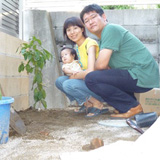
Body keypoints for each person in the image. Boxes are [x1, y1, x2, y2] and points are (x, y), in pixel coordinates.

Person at [80, 4, 160, 118]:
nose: (90, 22)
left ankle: (131, 106)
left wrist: (95, 67)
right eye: (86, 21)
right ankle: (128, 106)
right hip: (139, 75)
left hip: (142, 74)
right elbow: (106, 67)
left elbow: (101, 65)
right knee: (103, 76)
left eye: (93, 17)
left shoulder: (110, 29)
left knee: (91, 79)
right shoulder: (103, 39)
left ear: (103, 16)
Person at [55, 16, 108, 117]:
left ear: (82, 29)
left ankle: (97, 103)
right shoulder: (76, 48)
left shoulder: (90, 43)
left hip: (98, 85)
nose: (72, 32)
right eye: (68, 30)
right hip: (86, 81)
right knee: (59, 81)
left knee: (68, 84)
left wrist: (72, 77)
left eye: (75, 28)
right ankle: (87, 103)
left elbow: (90, 71)